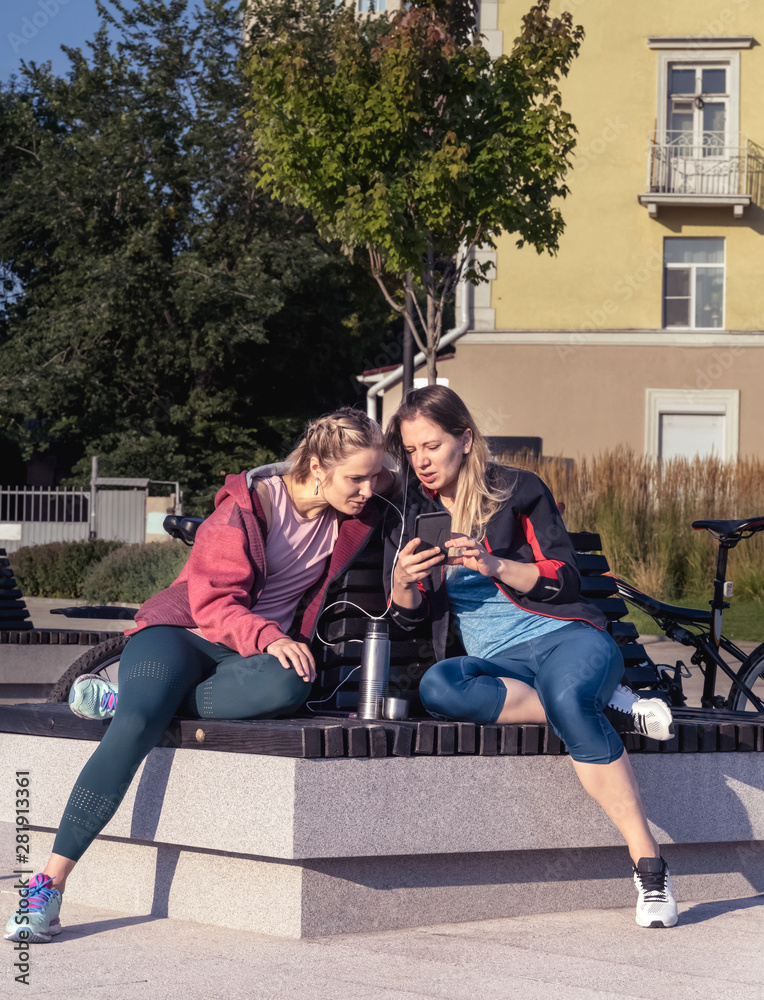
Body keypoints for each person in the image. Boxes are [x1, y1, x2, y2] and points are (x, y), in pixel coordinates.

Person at [5, 408, 388, 944]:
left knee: (291, 685)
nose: (370, 489)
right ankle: (48, 886)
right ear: (318, 468)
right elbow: (211, 605)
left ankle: (126, 697)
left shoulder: (354, 512)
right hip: (183, 632)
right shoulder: (244, 509)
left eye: (377, 476)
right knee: (137, 725)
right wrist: (273, 637)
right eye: (358, 478)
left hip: (244, 659)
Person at [382, 386, 678, 928]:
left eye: (432, 445)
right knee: (439, 687)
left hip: (568, 637)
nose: (420, 461)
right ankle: (606, 706)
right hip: (500, 663)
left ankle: (650, 867)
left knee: (568, 697)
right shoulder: (411, 515)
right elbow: (407, 618)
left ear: (465, 439)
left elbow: (564, 578)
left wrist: (494, 566)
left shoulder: (517, 491)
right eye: (411, 451)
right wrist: (402, 582)